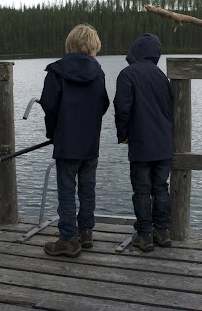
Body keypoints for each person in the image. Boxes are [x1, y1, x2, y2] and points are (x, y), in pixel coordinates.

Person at [40, 24, 109, 258]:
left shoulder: (56, 71)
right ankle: (86, 232)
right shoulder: (98, 72)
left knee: (67, 191)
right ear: (93, 47)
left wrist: (53, 133)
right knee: (88, 189)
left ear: (70, 45)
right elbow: (103, 103)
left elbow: (49, 106)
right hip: (90, 143)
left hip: (66, 143)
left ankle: (68, 239)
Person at [114, 33, 174, 252]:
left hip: (140, 143)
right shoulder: (162, 77)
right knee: (161, 188)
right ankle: (163, 232)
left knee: (141, 191)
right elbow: (171, 109)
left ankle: (145, 235)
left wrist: (123, 134)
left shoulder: (127, 74)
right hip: (164, 144)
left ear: (136, 50)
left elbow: (122, 107)